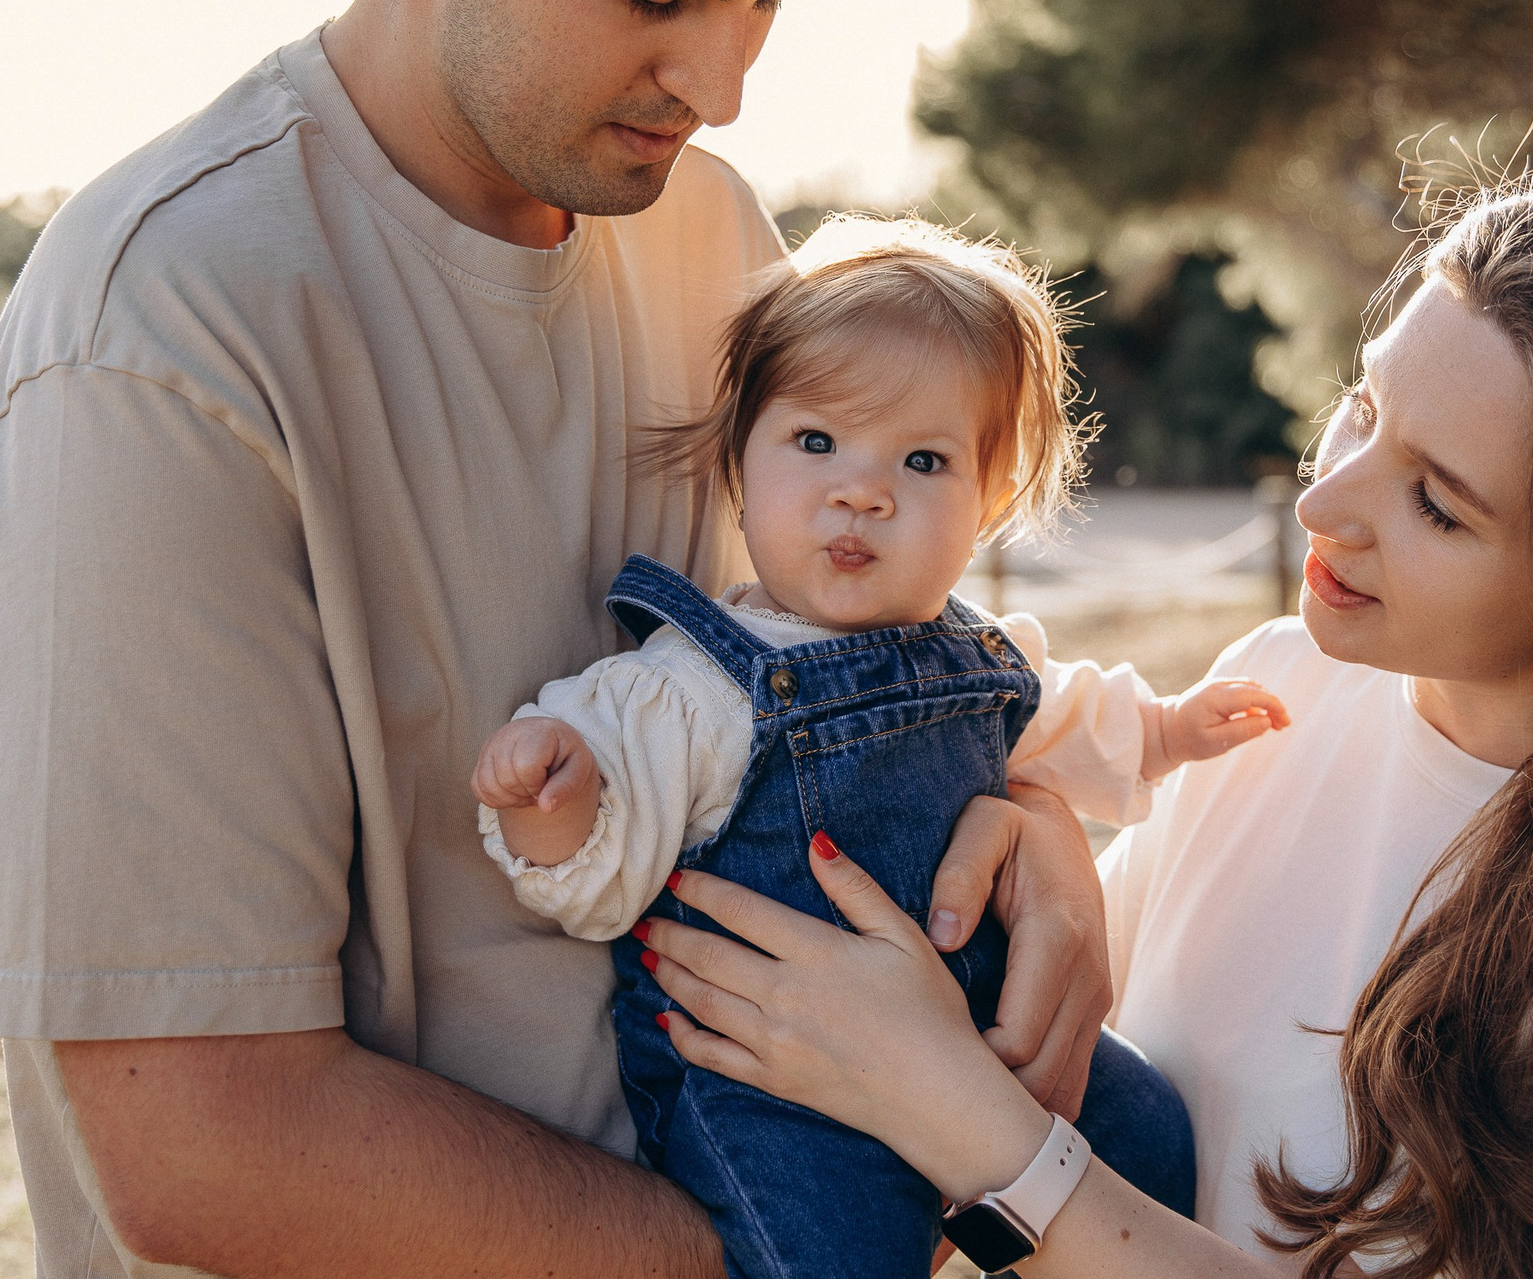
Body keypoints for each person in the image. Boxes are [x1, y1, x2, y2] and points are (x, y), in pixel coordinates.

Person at [0, 0, 1126, 1274]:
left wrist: (1038, 829)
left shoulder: (714, 235)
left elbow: (822, 668)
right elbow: (202, 1138)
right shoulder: (158, 336)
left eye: (767, 3)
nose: (721, 84)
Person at [638, 173, 1533, 1278]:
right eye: (1362, 407)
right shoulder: (1281, 685)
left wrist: (958, 1121)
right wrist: (1043, 840)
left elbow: (979, 1115)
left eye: (1438, 505)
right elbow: (1086, 1036)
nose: (1325, 501)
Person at [472, 216, 1290, 1275]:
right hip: (776, 1089)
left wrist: (1170, 728)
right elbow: (596, 871)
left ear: (987, 501)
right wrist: (560, 801)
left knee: (1150, 1135)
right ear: (740, 458)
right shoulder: (693, 685)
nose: (863, 490)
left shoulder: (976, 654)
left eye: (923, 459)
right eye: (815, 442)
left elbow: (1067, 716)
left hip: (986, 1044)